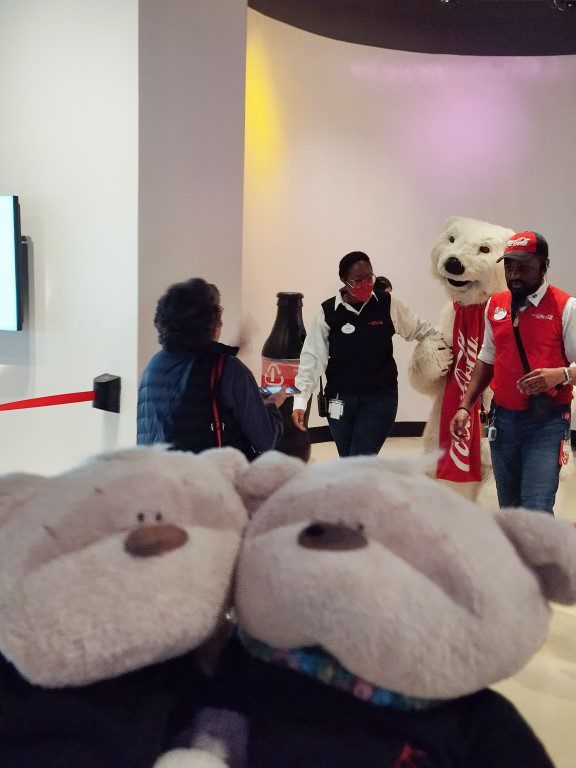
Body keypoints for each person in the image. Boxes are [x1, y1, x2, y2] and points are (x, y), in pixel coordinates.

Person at [450, 231, 576, 513]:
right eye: (509, 266)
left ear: (544, 265)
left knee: (536, 509)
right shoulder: (495, 306)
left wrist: (561, 375)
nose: (514, 274)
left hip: (547, 422)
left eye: (523, 266)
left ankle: (541, 557)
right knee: (510, 509)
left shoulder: (565, 306)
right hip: (503, 421)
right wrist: (464, 406)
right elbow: (486, 358)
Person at [292, 251, 449, 457]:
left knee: (360, 460)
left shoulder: (387, 303)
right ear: (344, 280)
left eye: (369, 278)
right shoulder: (328, 312)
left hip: (379, 398)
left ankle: (359, 488)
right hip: (339, 400)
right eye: (358, 281)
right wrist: (300, 400)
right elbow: (312, 358)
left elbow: (422, 330)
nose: (366, 284)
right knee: (348, 460)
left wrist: (447, 347)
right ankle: (359, 489)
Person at [138, 277, 285, 460]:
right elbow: (265, 439)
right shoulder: (229, 369)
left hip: (165, 477)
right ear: (210, 323)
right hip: (213, 480)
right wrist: (272, 405)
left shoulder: (154, 365)